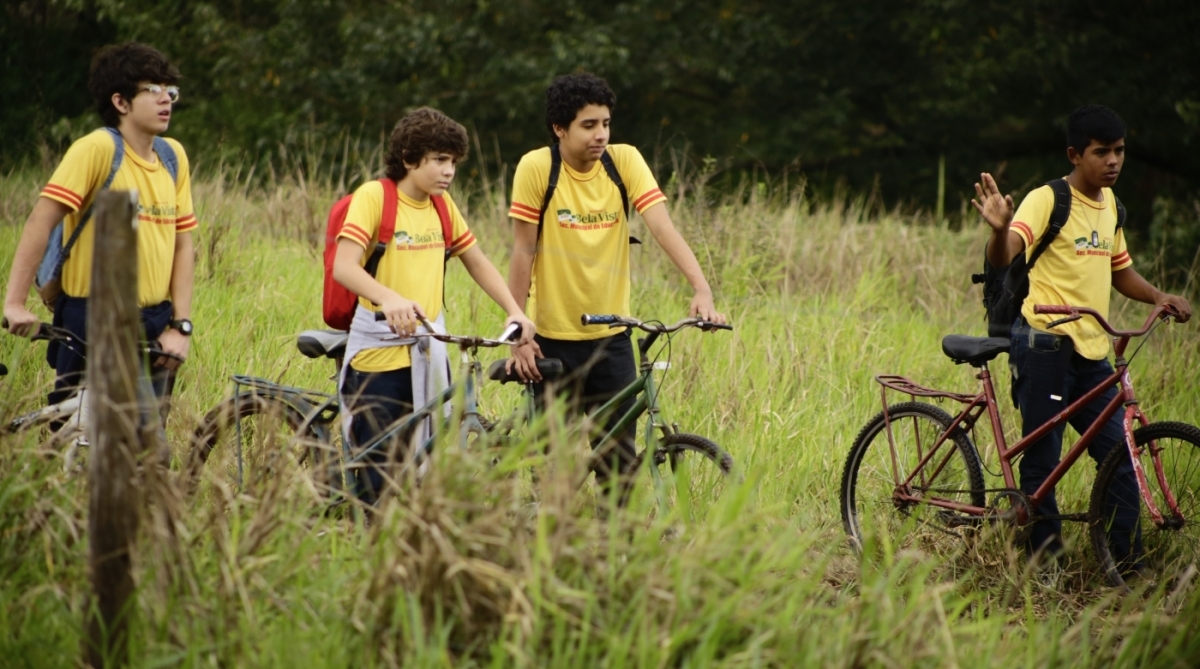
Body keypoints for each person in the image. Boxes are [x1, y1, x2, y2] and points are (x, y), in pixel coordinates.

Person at [971, 105, 1193, 569]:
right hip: (1044, 346)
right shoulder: (1047, 199)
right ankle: (1043, 568)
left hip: (1093, 353)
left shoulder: (1111, 205)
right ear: (1075, 155)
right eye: (1101, 152)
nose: (1113, 161)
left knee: (1121, 460)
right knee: (1043, 466)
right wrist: (997, 231)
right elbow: (1006, 253)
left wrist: (1158, 295)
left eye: (1119, 151)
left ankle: (1124, 566)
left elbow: (1120, 271)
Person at [505, 73, 725, 508]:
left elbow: (662, 226)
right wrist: (518, 334)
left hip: (612, 340)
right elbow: (522, 251)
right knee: (551, 470)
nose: (600, 134)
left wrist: (702, 288)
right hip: (551, 341)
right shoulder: (537, 168)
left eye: (605, 123)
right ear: (559, 128)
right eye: (588, 125)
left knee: (617, 468)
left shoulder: (623, 161)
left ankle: (615, 555)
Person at [332, 107, 534, 505]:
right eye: (440, 160)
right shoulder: (376, 197)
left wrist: (515, 310)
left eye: (454, 162)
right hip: (378, 355)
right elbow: (343, 266)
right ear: (409, 158)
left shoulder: (442, 206)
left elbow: (476, 260)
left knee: (425, 466)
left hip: (427, 349)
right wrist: (388, 298)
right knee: (377, 475)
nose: (449, 172)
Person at [3, 42, 197, 420]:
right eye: (152, 90)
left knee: (137, 446)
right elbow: (41, 221)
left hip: (156, 320)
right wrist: (13, 303)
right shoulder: (96, 149)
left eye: (169, 91)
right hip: (93, 316)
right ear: (120, 102)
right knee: (96, 440)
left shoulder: (173, 156)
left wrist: (181, 325)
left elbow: (182, 245)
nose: (166, 100)